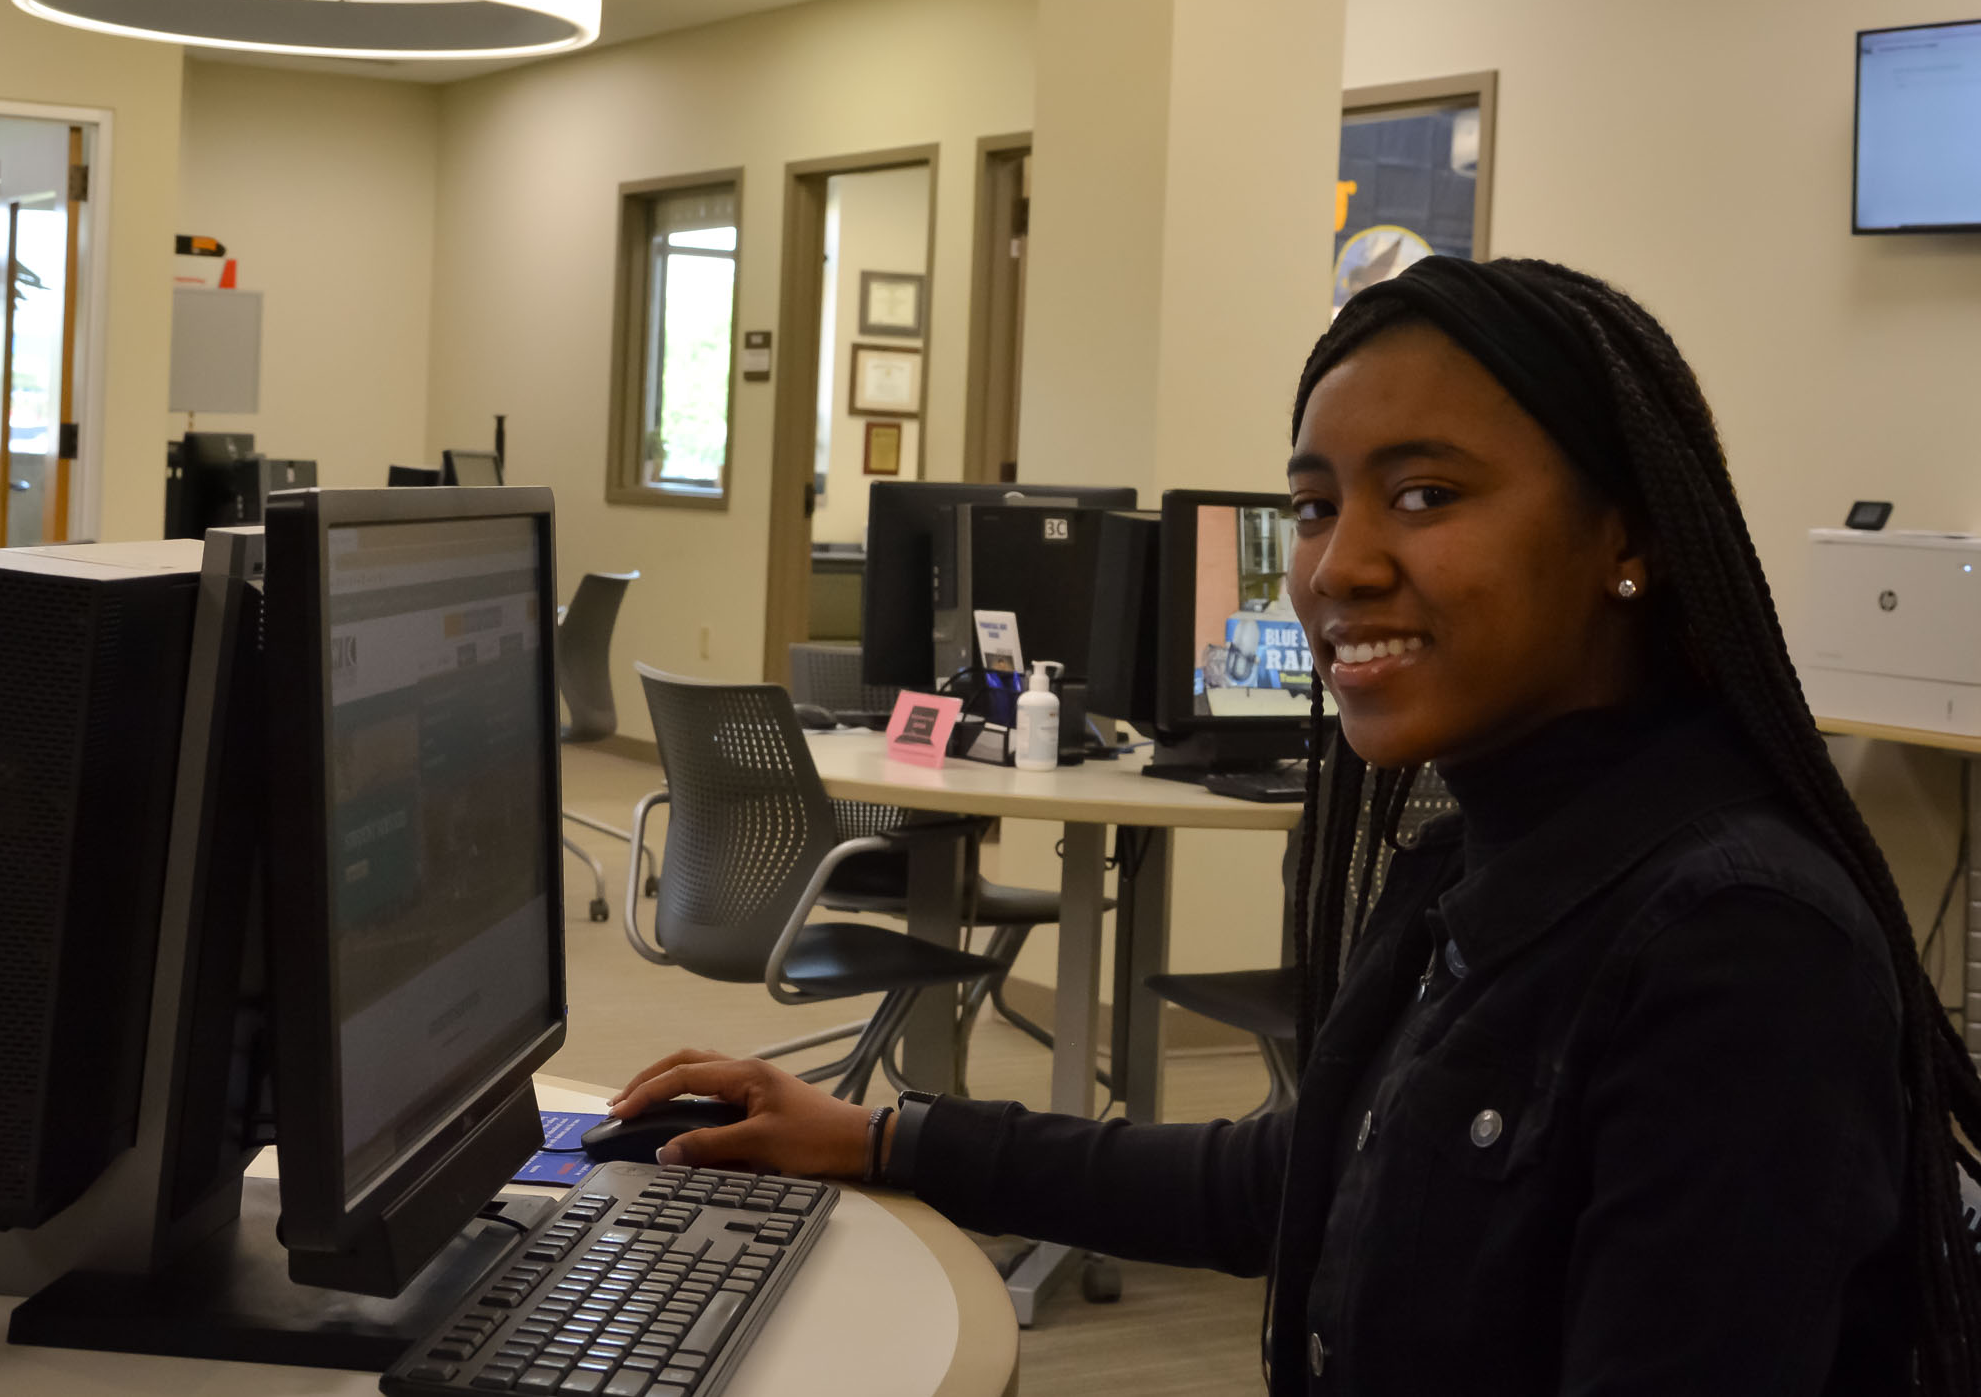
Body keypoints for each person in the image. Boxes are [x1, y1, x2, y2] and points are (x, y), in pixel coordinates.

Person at [609, 258, 1981, 1395]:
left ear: (1633, 537)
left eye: (1428, 495)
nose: (1337, 567)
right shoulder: (1473, 855)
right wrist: (889, 1140)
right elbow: (1297, 1177)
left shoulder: (1736, 948)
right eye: (1317, 508)